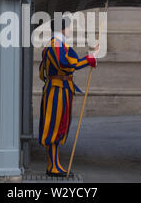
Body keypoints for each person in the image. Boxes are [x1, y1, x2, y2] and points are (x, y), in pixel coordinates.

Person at [38, 16, 99, 177]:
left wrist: (89, 58)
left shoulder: (60, 45)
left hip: (63, 89)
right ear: (62, 29)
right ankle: (52, 166)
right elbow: (66, 64)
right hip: (57, 90)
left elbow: (70, 62)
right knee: (54, 126)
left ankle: (55, 164)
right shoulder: (55, 45)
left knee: (60, 126)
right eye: (69, 27)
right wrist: (89, 59)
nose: (71, 30)